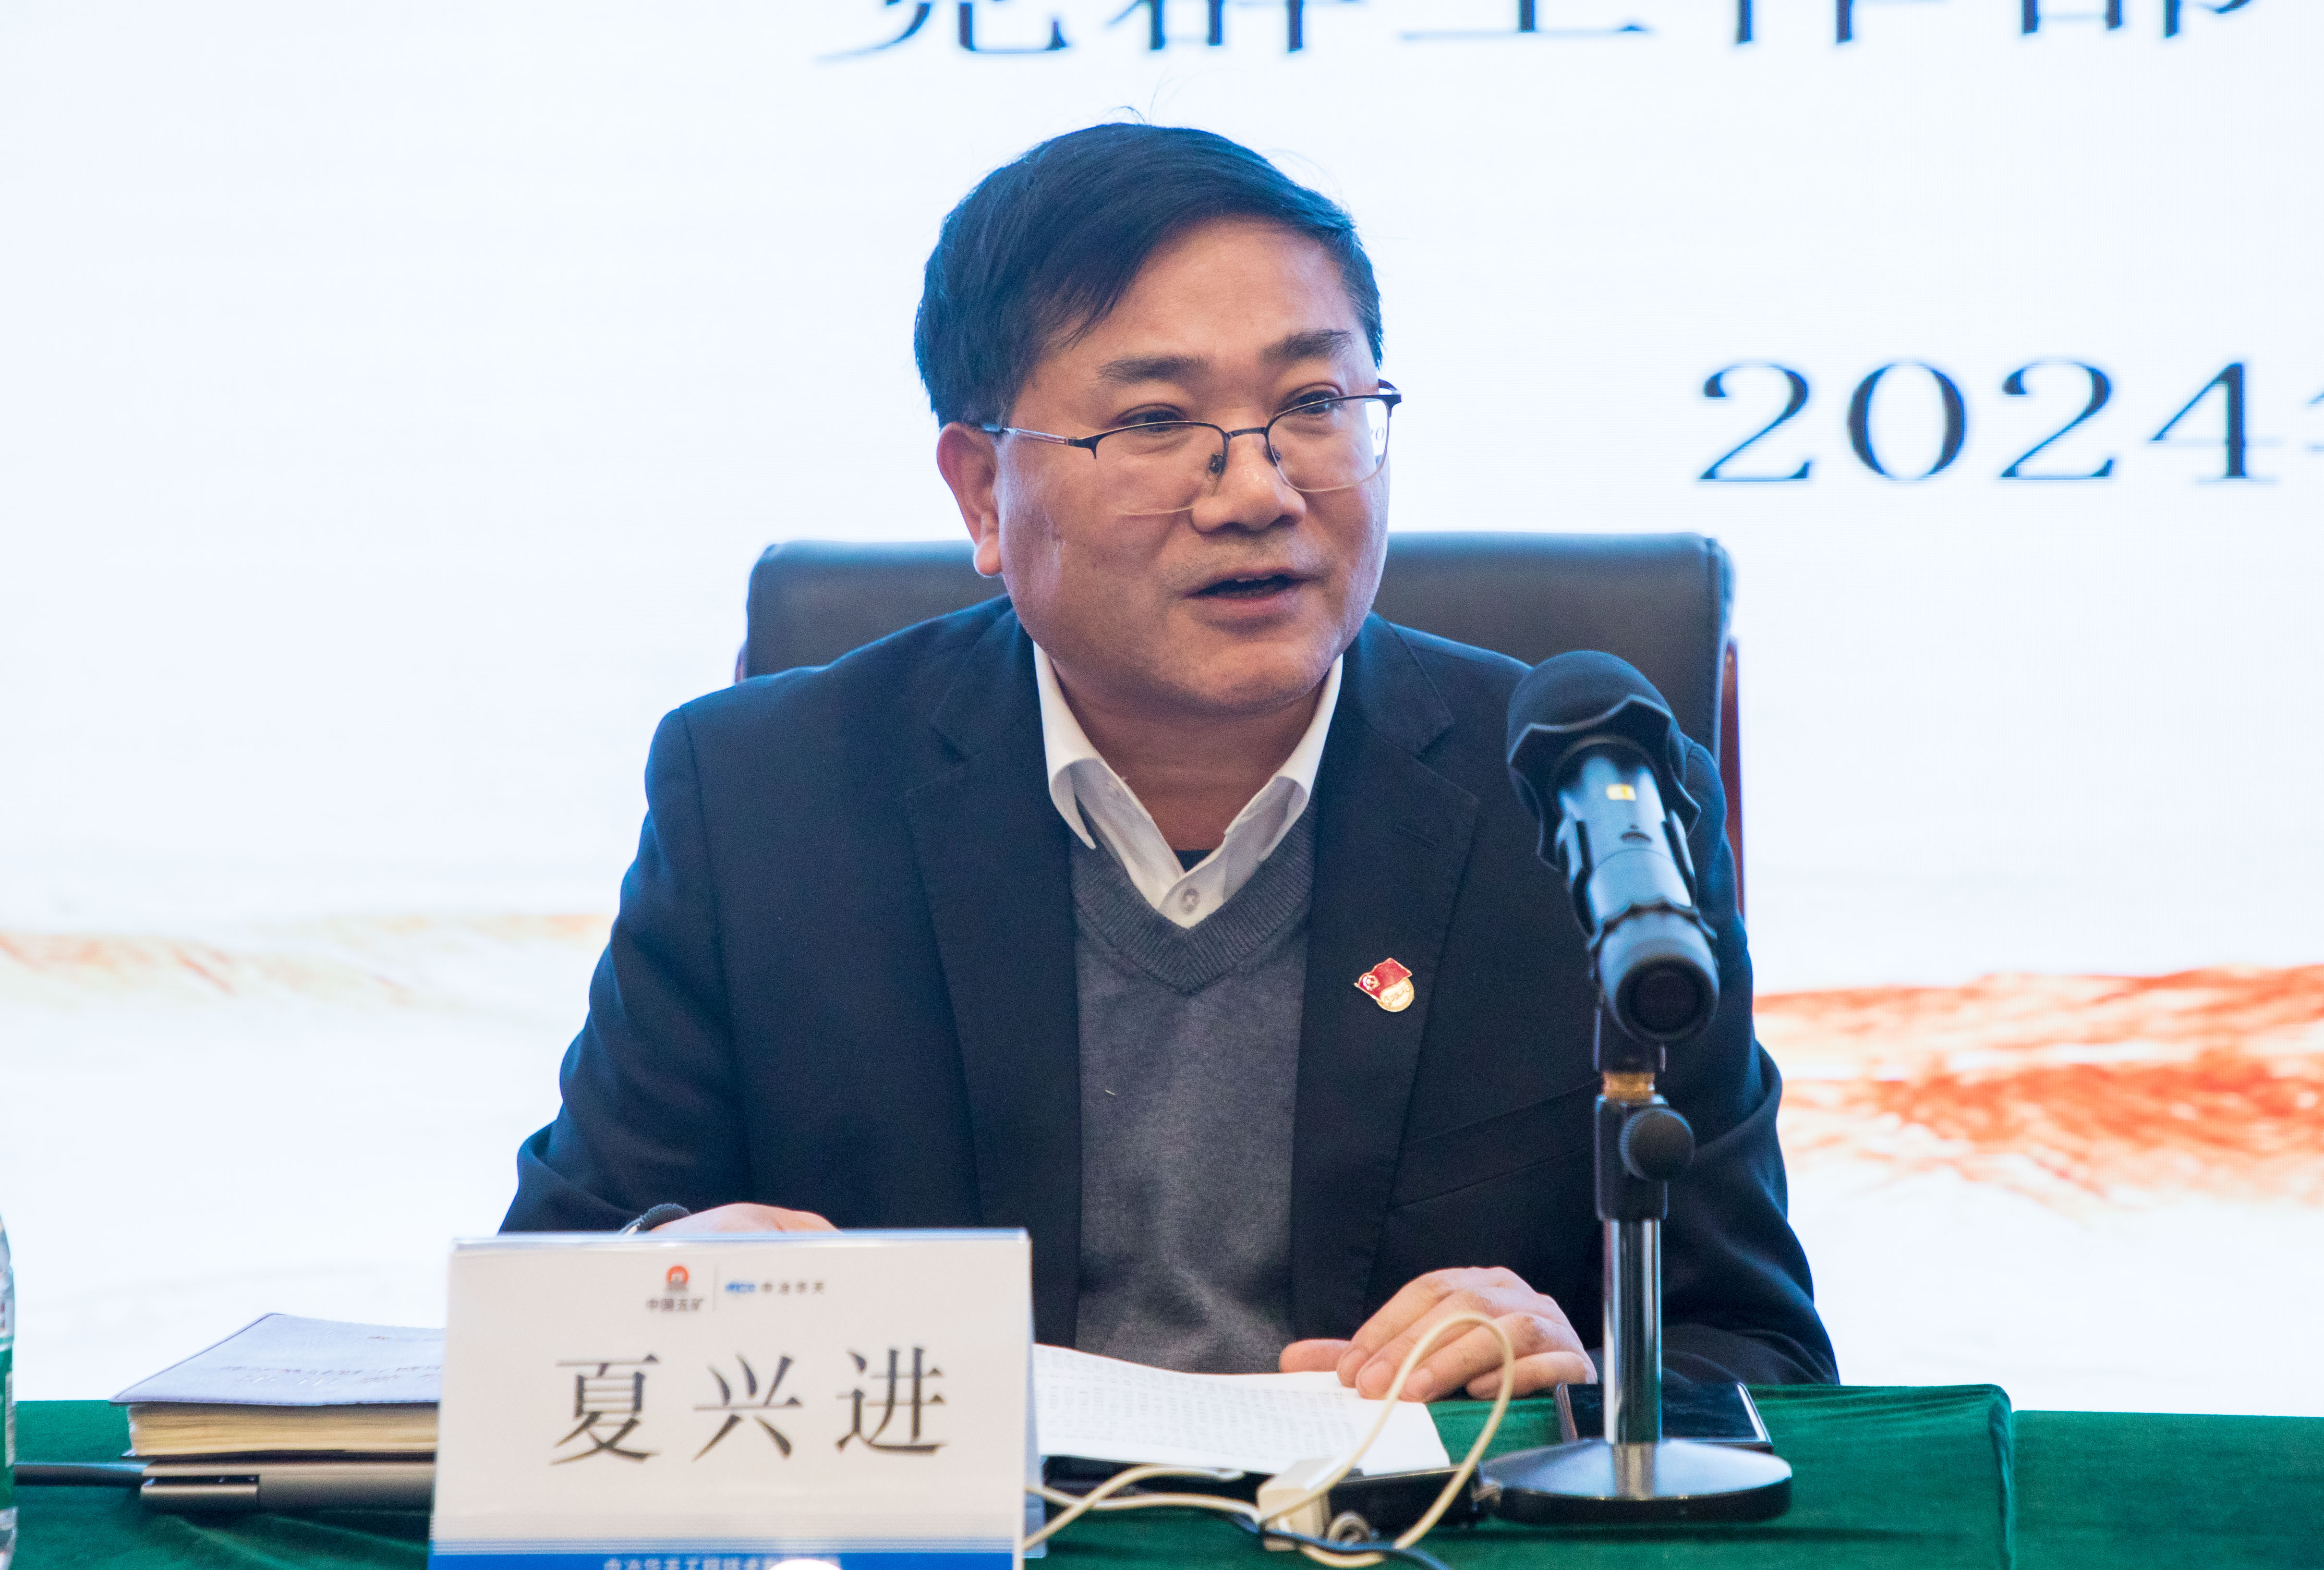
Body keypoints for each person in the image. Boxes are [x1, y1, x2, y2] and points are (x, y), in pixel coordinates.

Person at [503, 123, 1836, 1401]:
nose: (1257, 491)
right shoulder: (762, 802)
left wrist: (1581, 1378)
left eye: (1315, 403)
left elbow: (1758, 1352)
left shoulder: (1585, 805)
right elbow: (545, 1308)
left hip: (1412, 1550)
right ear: (980, 490)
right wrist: (669, 1280)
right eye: (1153, 421)